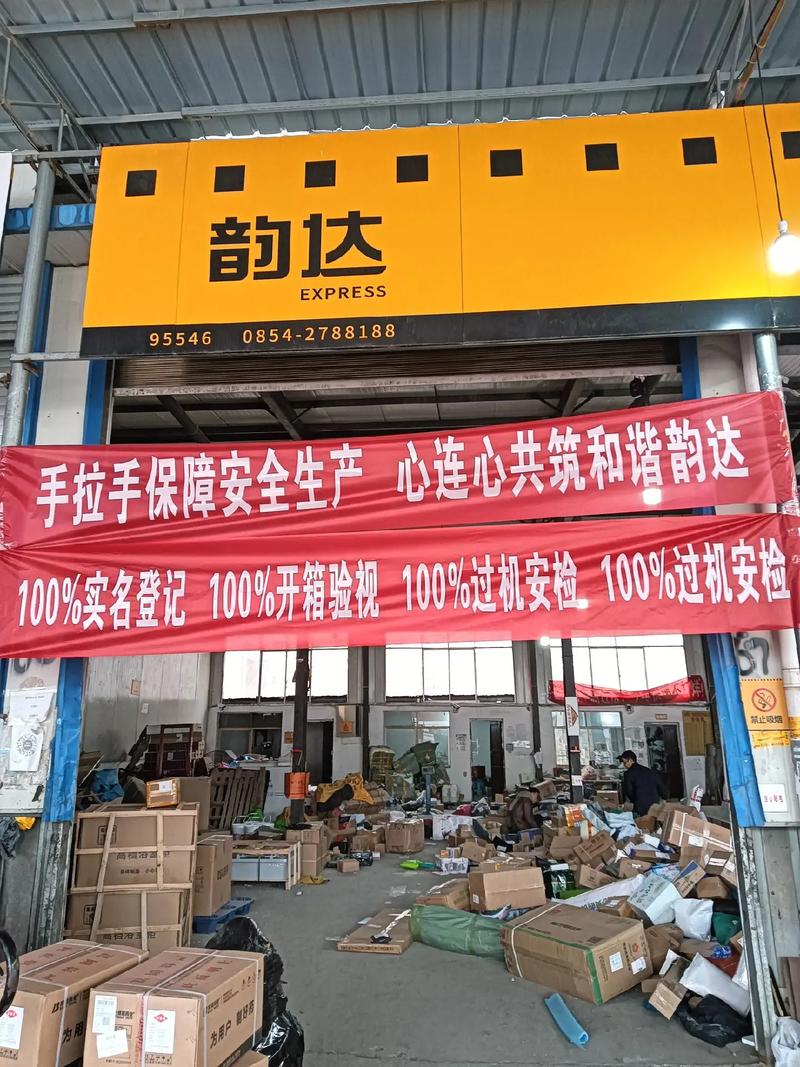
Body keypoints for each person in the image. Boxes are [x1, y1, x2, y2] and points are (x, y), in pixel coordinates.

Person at [617, 750, 666, 816]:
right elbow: (661, 788)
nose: (624, 765)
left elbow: (629, 792)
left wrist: (636, 800)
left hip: (640, 807)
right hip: (654, 806)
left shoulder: (628, 774)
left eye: (624, 762)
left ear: (630, 760)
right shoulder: (649, 771)